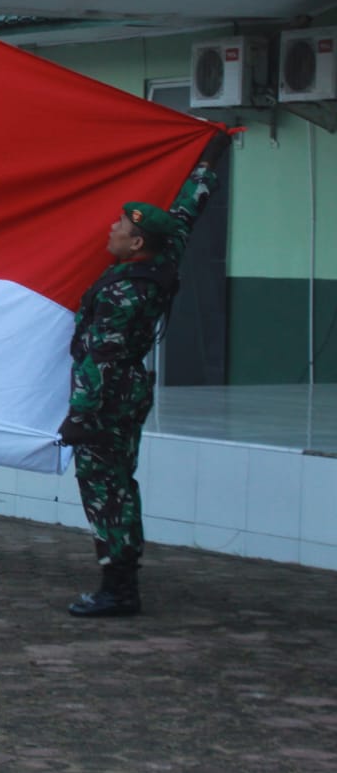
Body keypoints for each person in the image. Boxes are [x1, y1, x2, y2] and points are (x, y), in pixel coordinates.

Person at [57, 131, 230, 617]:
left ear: (135, 242)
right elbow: (184, 215)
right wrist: (208, 160)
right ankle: (121, 581)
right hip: (130, 389)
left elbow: (101, 360)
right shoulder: (162, 257)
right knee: (120, 482)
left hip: (109, 396)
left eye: (118, 226)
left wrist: (80, 417)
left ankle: (118, 588)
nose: (109, 229)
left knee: (105, 487)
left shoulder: (123, 295)